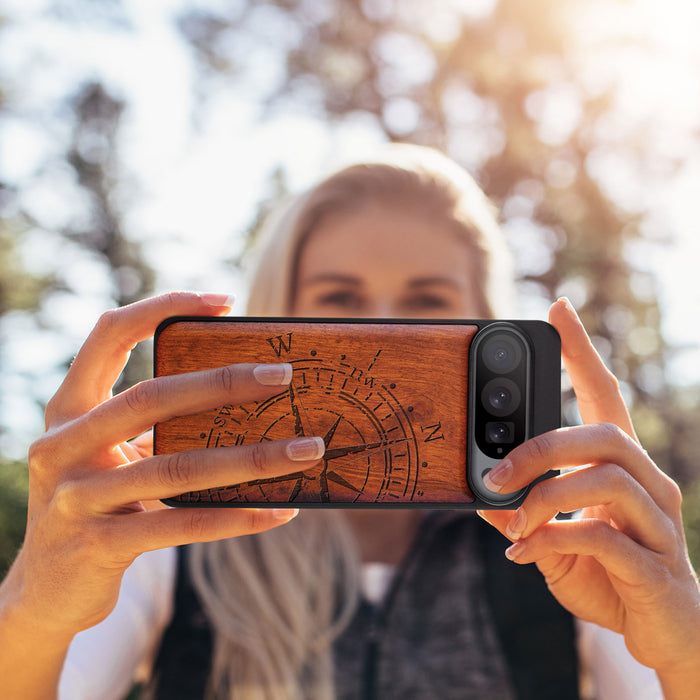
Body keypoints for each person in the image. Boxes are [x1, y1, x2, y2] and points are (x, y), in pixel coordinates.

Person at [0, 145, 698, 700]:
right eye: (340, 298)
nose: (385, 325)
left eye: (427, 301)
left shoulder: (568, 543)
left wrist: (685, 648)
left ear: (486, 322)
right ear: (279, 312)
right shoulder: (169, 534)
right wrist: (34, 607)